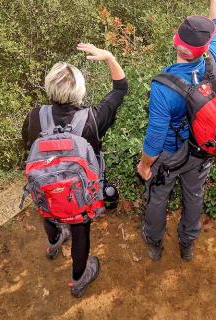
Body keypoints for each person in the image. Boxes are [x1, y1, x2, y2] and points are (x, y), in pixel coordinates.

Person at [22, 43, 127, 297]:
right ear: (79, 91)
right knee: (81, 229)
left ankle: (55, 240)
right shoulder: (92, 117)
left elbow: (27, 148)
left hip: (46, 189)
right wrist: (110, 57)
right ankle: (78, 278)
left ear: (50, 87)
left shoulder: (35, 116)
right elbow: (121, 88)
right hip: (78, 196)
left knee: (47, 208)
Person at [137, 0, 216, 262]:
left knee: (158, 197)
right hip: (201, 150)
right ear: (204, 47)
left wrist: (145, 165)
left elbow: (155, 134)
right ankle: (187, 244)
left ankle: (154, 243)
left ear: (176, 40)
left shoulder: (164, 85)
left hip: (170, 154)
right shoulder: (213, 62)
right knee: (194, 197)